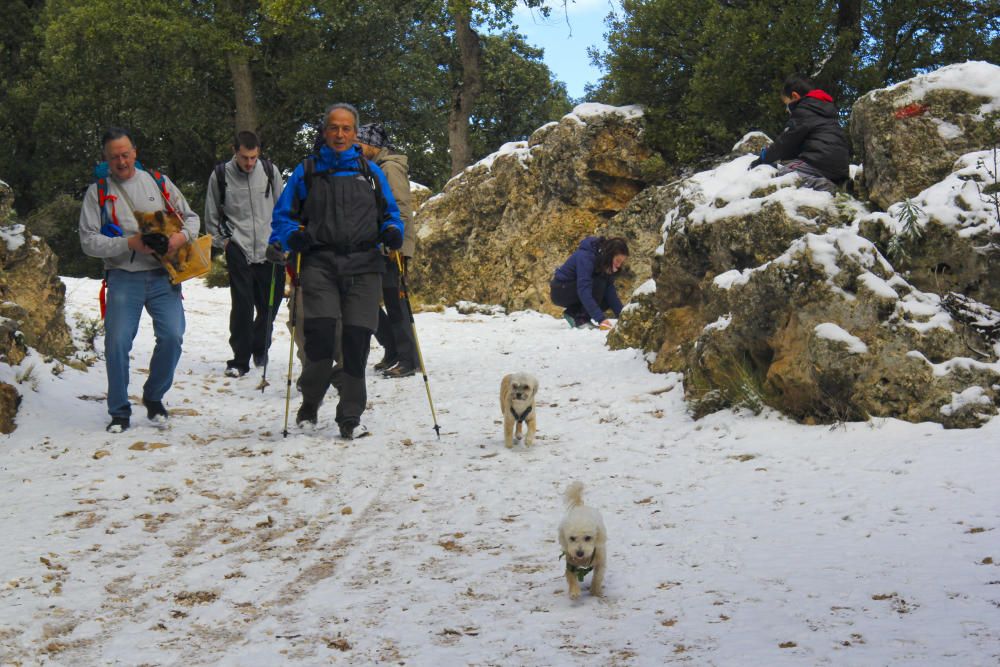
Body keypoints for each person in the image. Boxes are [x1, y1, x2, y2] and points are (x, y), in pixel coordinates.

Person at [268, 103, 404, 439]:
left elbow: (391, 213)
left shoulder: (371, 173)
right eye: (334, 128)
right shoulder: (307, 171)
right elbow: (282, 217)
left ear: (355, 133)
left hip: (364, 266)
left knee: (356, 343)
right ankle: (310, 403)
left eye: (346, 128)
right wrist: (291, 236)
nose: (340, 134)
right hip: (320, 265)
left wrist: (393, 231)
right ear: (324, 131)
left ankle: (350, 417)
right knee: (321, 340)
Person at [79, 127, 200, 433]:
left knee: (173, 337)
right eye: (114, 157)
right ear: (106, 159)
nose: (121, 161)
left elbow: (192, 218)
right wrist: (128, 244)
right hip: (124, 276)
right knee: (117, 343)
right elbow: (88, 241)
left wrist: (178, 238)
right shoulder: (98, 192)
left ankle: (154, 397)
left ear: (135, 152)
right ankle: (119, 410)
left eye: (125, 154)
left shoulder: (158, 182)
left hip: (164, 275)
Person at [205, 131, 286, 377]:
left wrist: (281, 240)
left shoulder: (271, 172)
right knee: (242, 306)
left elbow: (282, 209)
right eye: (244, 158)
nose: (249, 163)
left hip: (270, 248)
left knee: (270, 305)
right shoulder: (220, 175)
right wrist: (226, 243)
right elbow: (211, 215)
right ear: (234, 151)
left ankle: (261, 346)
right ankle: (239, 360)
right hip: (238, 248)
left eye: (253, 157)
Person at [356, 122, 418, 379]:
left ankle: (408, 359)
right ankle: (392, 350)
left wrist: (399, 245)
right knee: (369, 301)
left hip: (393, 248)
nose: (356, 147)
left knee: (396, 303)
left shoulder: (389, 168)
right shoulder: (373, 168)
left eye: (360, 143)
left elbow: (401, 207)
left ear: (373, 145)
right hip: (378, 246)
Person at [749, 74, 850, 193]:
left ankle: (826, 187)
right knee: (792, 165)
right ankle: (838, 183)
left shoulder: (803, 111)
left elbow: (785, 142)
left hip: (818, 162)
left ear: (794, 96)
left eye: (787, 103)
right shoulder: (823, 110)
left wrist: (764, 158)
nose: (787, 109)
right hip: (839, 166)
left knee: (785, 174)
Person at [550, 236, 629, 330]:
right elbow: (584, 289)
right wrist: (601, 319)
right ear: (609, 255)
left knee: (606, 298)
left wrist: (624, 318)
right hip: (560, 291)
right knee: (599, 283)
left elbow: (610, 292)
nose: (618, 265)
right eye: (617, 261)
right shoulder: (586, 257)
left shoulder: (603, 262)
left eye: (621, 263)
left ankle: (573, 313)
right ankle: (581, 319)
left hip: (575, 290)